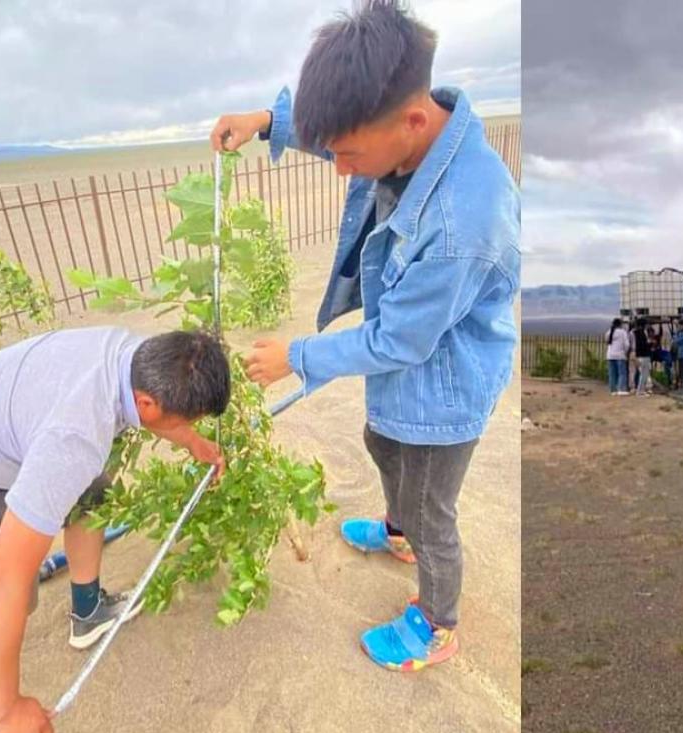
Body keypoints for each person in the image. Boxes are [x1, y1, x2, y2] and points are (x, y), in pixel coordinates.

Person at [217, 0, 519, 671]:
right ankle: (397, 531)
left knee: (434, 507)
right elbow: (339, 134)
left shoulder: (461, 223)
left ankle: (437, 624)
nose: (341, 168)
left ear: (410, 123)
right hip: (410, 360)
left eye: (348, 155)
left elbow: (398, 344)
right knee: (380, 439)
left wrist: (296, 357)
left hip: (446, 384)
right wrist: (266, 121)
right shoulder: (400, 130)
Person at [0, 327, 229, 733]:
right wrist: (5, 714)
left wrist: (193, 443)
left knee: (94, 496)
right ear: (148, 404)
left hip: (1, 436)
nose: (189, 428)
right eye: (189, 421)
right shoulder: (74, 439)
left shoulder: (136, 355)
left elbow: (159, 410)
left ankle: (88, 611)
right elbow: (0, 580)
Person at [606, 318, 631, 395]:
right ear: (620, 324)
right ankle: (621, 389)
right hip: (620, 355)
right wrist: (625, 352)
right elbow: (626, 344)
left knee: (612, 373)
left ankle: (612, 390)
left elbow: (607, 341)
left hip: (610, 355)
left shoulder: (609, 332)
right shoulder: (622, 332)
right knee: (622, 373)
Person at [632, 319, 653, 396]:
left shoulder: (635, 332)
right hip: (644, 355)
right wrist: (650, 344)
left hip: (640, 355)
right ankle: (640, 391)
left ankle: (641, 390)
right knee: (644, 374)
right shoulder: (641, 333)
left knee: (643, 374)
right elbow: (643, 345)